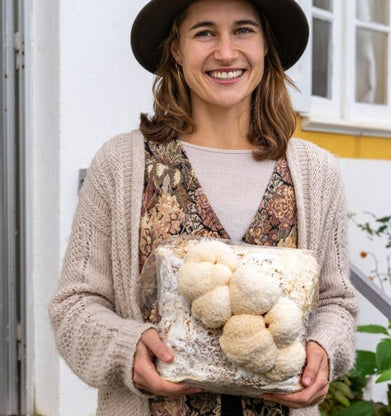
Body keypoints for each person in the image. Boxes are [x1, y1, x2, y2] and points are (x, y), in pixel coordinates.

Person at [49, 0, 358, 415]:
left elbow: (336, 301)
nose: (226, 53)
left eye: (244, 30)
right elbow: (75, 305)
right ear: (176, 48)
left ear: (267, 45)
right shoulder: (121, 165)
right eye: (205, 32)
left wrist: (324, 348)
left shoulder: (317, 173)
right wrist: (127, 348)